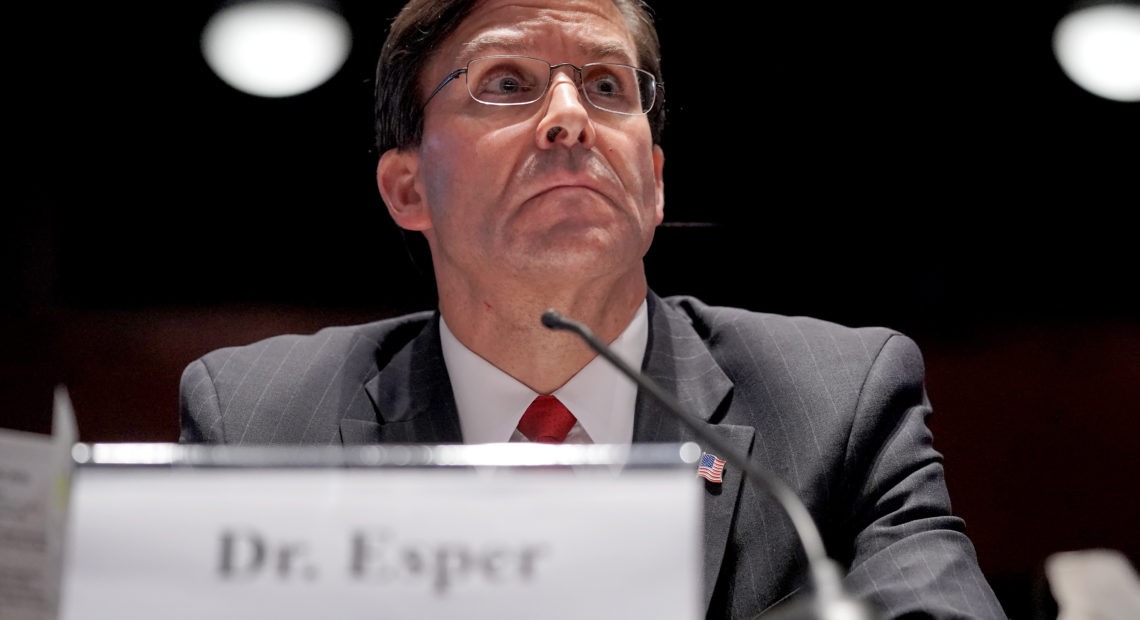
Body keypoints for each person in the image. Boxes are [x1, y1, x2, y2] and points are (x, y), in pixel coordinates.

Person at [179, 0, 1008, 617]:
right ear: (407, 187)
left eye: (607, 85)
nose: (570, 119)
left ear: (652, 181)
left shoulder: (837, 403)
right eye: (507, 84)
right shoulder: (259, 422)